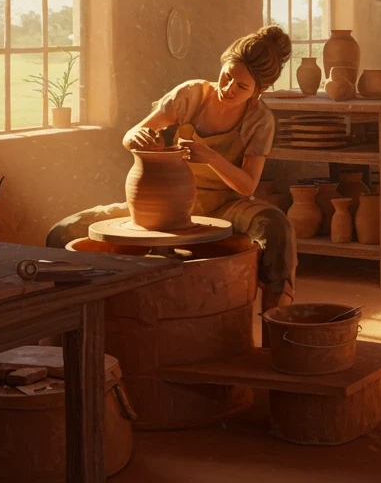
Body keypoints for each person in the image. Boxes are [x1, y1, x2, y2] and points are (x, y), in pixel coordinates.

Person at [46, 26, 296, 311]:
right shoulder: (191, 94)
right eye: (227, 76)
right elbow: (132, 134)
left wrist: (211, 157)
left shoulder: (259, 120)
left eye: (242, 86)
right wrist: (135, 136)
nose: (228, 88)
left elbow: (247, 185)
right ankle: (68, 319)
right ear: (223, 64)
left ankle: (276, 327)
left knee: (277, 228)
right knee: (62, 232)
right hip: (163, 205)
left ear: (259, 89)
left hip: (223, 206)